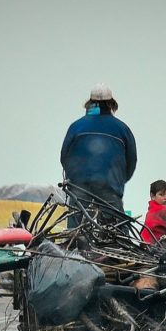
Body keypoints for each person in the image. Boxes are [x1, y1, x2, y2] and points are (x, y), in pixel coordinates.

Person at [60, 83, 137, 225]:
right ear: (111, 104)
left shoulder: (76, 126)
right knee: (116, 230)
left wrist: (75, 178)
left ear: (90, 104)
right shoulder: (122, 129)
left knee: (75, 231)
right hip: (109, 186)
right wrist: (118, 182)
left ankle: (75, 244)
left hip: (80, 186)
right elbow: (131, 161)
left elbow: (64, 156)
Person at [140, 179, 166, 244]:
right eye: (161, 194)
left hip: (145, 245)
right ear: (152, 196)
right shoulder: (163, 210)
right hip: (156, 247)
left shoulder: (151, 210)